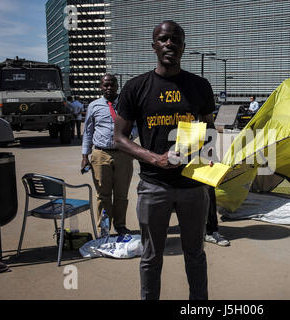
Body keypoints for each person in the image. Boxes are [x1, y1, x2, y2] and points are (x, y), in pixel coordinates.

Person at [114, 20, 214, 300]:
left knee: (195, 254)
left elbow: (209, 129)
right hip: (153, 186)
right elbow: (119, 138)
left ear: (183, 46)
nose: (169, 43)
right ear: (154, 45)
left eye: (175, 39)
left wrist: (206, 154)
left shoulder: (200, 86)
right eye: (163, 38)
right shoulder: (136, 87)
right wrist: (155, 158)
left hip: (193, 186)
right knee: (151, 256)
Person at [81, 74, 134, 236]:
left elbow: (136, 125)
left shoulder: (127, 105)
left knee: (121, 194)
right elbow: (88, 131)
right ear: (100, 87)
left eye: (112, 85)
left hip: (123, 154)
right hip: (100, 154)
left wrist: (129, 137)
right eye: (105, 85)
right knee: (103, 195)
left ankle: (120, 225)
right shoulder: (94, 106)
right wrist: (85, 156)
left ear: (117, 86)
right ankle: (103, 228)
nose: (109, 88)